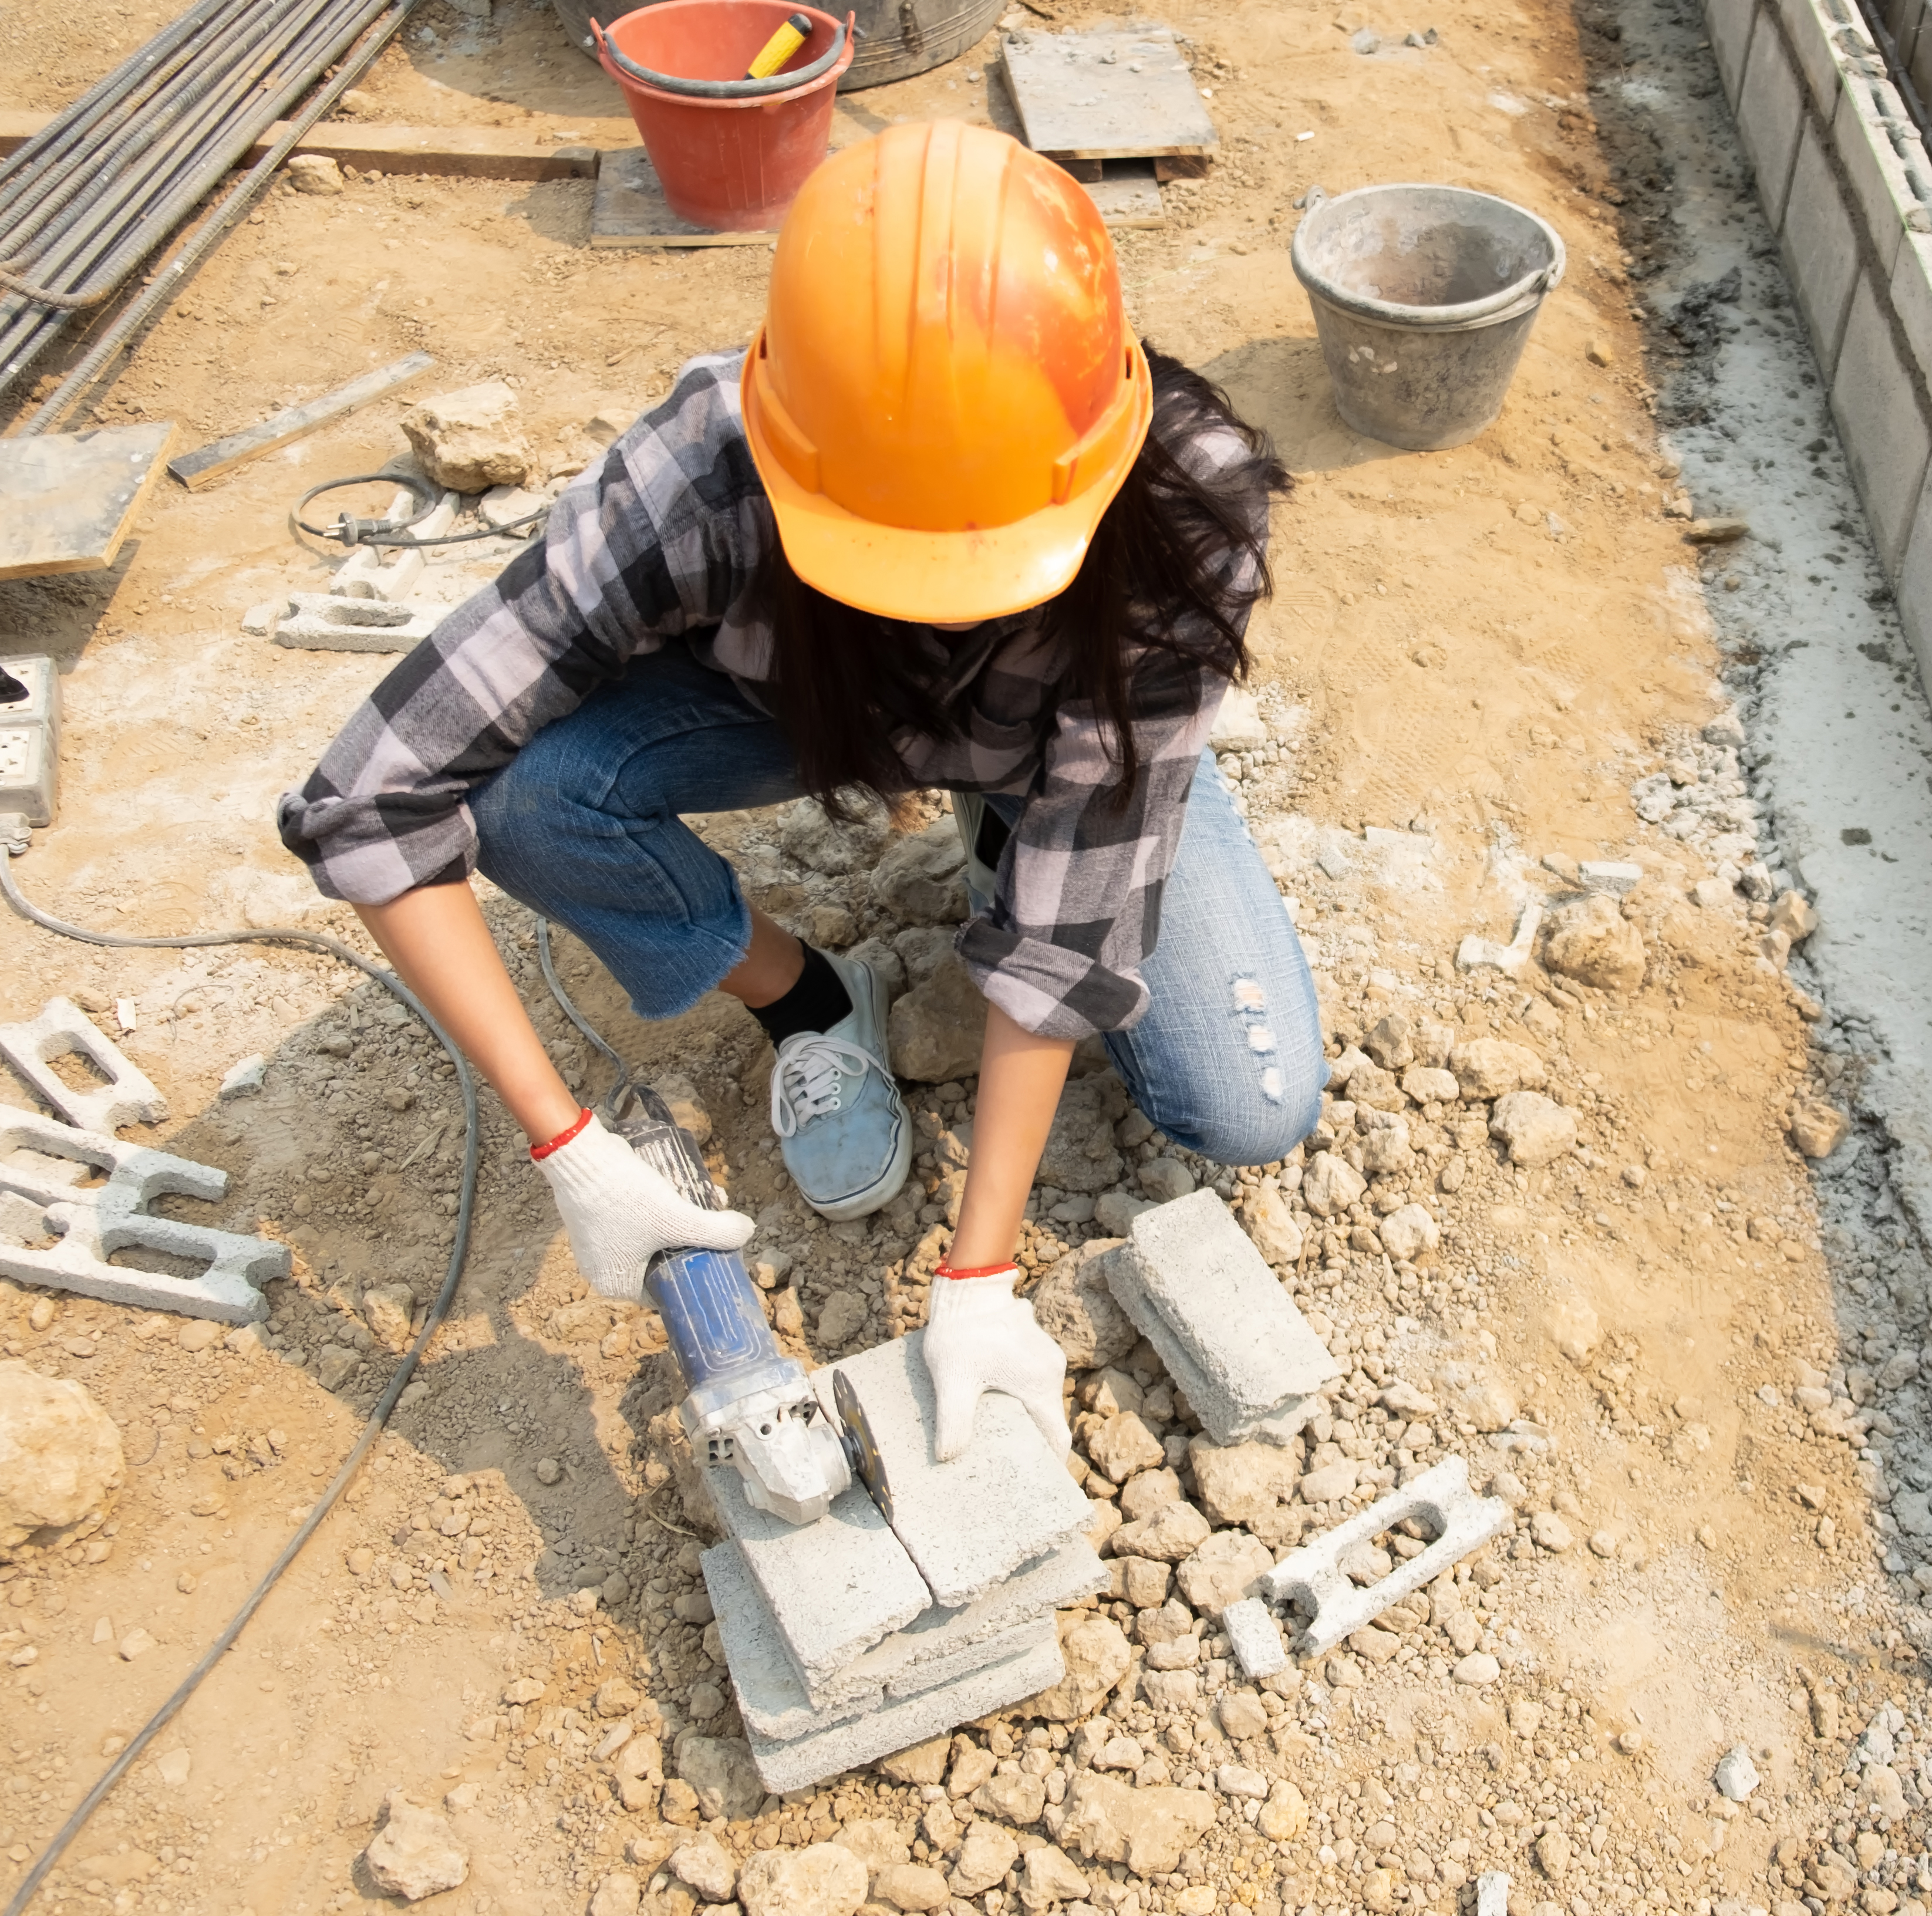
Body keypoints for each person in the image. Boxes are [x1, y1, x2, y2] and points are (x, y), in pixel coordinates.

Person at [278, 122, 1323, 1460]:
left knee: (1250, 1107)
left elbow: (1072, 936)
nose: (943, 604)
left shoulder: (1184, 507)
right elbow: (372, 796)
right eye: (895, 563)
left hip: (1073, 745)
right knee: (528, 794)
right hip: (804, 718)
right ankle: (812, 999)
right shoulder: (698, 471)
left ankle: (1008, 820)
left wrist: (978, 1276)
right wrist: (569, 1148)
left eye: (988, 568)